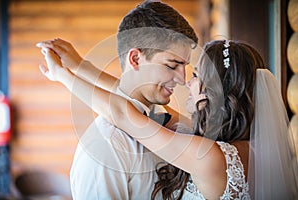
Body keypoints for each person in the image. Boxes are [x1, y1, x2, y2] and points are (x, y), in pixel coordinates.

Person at [39, 39, 298, 199]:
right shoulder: (246, 150)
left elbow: (123, 114)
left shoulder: (209, 156)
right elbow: (135, 100)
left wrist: (61, 76)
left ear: (213, 94)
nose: (187, 81)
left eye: (196, 76)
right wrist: (79, 66)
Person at [38, 1, 198, 199]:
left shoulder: (169, 125)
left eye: (185, 66)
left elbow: (126, 107)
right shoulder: (106, 146)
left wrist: (79, 69)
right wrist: (75, 71)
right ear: (136, 59)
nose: (182, 79)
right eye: (172, 65)